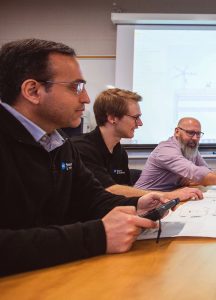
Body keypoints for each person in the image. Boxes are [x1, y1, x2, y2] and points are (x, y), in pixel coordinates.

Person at [0, 38, 170, 276]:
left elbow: (92, 199)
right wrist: (97, 236)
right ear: (33, 91)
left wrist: (138, 204)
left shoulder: (58, 143)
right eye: (75, 87)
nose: (86, 99)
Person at [72, 88, 203, 200]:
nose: (140, 123)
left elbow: (123, 196)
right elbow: (109, 190)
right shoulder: (81, 149)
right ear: (112, 118)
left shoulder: (119, 152)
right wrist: (169, 196)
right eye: (135, 117)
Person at [135, 117, 216, 192]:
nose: (195, 138)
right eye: (191, 133)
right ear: (177, 131)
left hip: (168, 195)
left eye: (198, 134)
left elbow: (206, 171)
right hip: (144, 198)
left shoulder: (189, 149)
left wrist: (198, 177)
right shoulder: (166, 149)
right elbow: (196, 172)